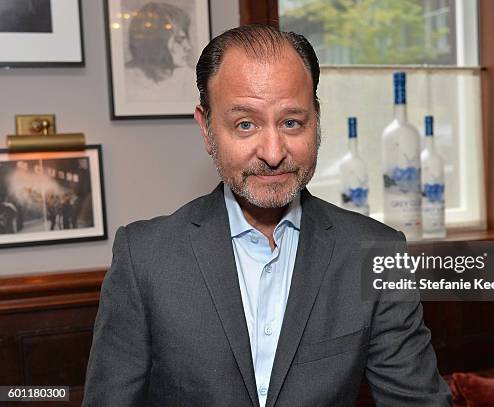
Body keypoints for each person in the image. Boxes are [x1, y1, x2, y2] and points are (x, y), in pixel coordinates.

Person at [83, 24, 451, 406]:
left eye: (292, 122)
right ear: (207, 129)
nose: (273, 152)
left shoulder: (375, 253)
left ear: (316, 121)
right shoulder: (144, 258)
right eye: (246, 124)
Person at [124, 2, 194, 102]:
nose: (188, 47)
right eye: (179, 40)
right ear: (156, 41)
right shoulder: (126, 79)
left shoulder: (192, 79)